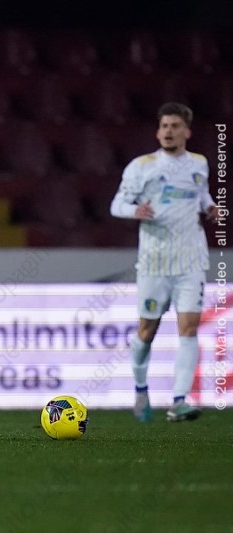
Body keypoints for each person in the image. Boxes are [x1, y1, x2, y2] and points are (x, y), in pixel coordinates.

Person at [110, 102, 219, 423]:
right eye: (164, 126)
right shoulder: (141, 166)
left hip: (190, 261)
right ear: (158, 132)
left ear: (187, 132)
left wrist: (211, 207)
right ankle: (140, 389)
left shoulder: (199, 163)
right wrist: (135, 211)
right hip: (154, 262)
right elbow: (117, 204)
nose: (168, 131)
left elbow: (201, 195)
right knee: (147, 331)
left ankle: (179, 401)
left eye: (174, 126)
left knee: (189, 328)